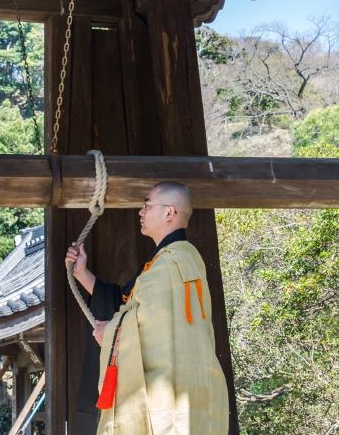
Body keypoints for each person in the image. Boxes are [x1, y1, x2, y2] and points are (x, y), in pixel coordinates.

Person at [65, 181, 229, 435]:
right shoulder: (170, 261)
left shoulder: (171, 262)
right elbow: (125, 301)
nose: (141, 212)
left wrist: (111, 333)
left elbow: (145, 321)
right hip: (194, 388)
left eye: (147, 205)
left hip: (169, 395)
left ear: (169, 212)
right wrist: (81, 273)